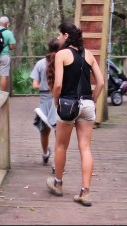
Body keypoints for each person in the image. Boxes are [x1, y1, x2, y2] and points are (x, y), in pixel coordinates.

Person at [46, 22, 104, 207]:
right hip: (87, 103)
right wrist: (92, 100)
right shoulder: (88, 54)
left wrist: (56, 101)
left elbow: (57, 85)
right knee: (85, 148)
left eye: (59, 35)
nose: (57, 38)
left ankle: (58, 184)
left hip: (68, 104)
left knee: (61, 145)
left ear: (65, 36)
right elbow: (101, 82)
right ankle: (85, 192)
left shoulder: (62, 54)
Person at [31, 37, 60, 165]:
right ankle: (57, 162)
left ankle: (45, 154)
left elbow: (34, 85)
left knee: (44, 132)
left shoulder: (40, 63)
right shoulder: (64, 63)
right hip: (59, 101)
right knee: (59, 132)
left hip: (44, 102)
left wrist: (44, 86)